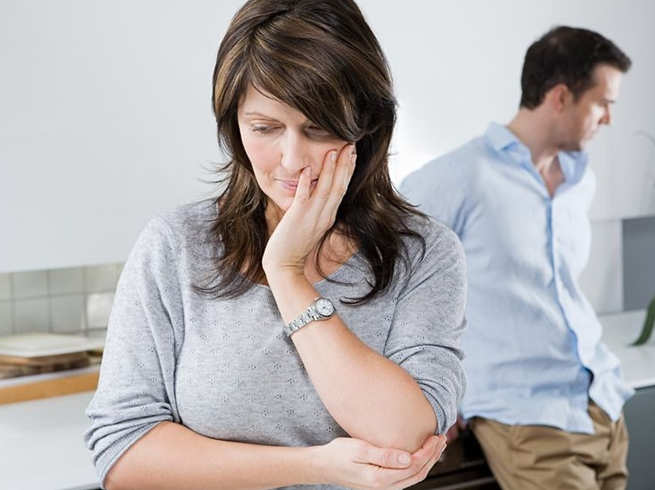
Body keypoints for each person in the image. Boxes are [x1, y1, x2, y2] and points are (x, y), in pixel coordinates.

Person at [84, 1, 467, 489]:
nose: (291, 159)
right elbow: (122, 455)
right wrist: (316, 465)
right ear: (234, 125)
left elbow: (402, 437)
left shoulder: (424, 254)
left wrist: (287, 275)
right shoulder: (176, 246)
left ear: (366, 123)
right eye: (264, 128)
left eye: (318, 128)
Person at [401, 26, 633, 489]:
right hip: (528, 420)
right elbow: (396, 285)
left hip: (602, 404)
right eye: (602, 103)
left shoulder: (578, 181)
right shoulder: (456, 178)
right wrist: (433, 393)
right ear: (561, 97)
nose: (608, 118)